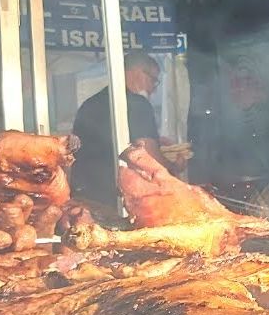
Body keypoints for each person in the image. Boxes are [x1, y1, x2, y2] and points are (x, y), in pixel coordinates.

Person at [71, 52, 189, 207]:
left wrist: (155, 141)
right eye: (153, 80)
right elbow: (148, 157)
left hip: (85, 194)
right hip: (116, 198)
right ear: (137, 72)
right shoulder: (137, 103)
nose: (153, 89)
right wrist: (174, 167)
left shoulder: (91, 103)